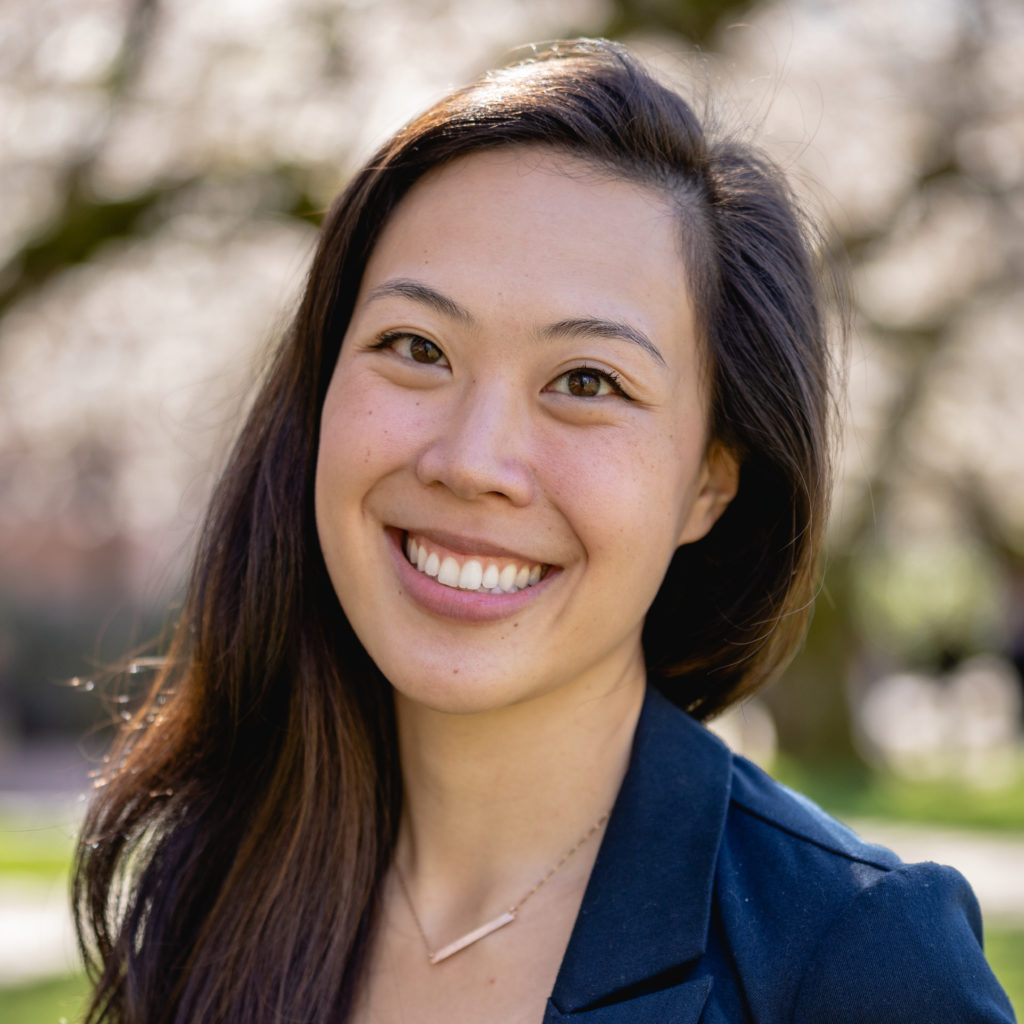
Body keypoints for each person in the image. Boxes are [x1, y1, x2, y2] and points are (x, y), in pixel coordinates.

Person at [73, 38, 1016, 1024]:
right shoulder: (208, 881)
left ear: (707, 483)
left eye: (586, 382)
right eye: (416, 347)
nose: (472, 460)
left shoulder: (852, 960)